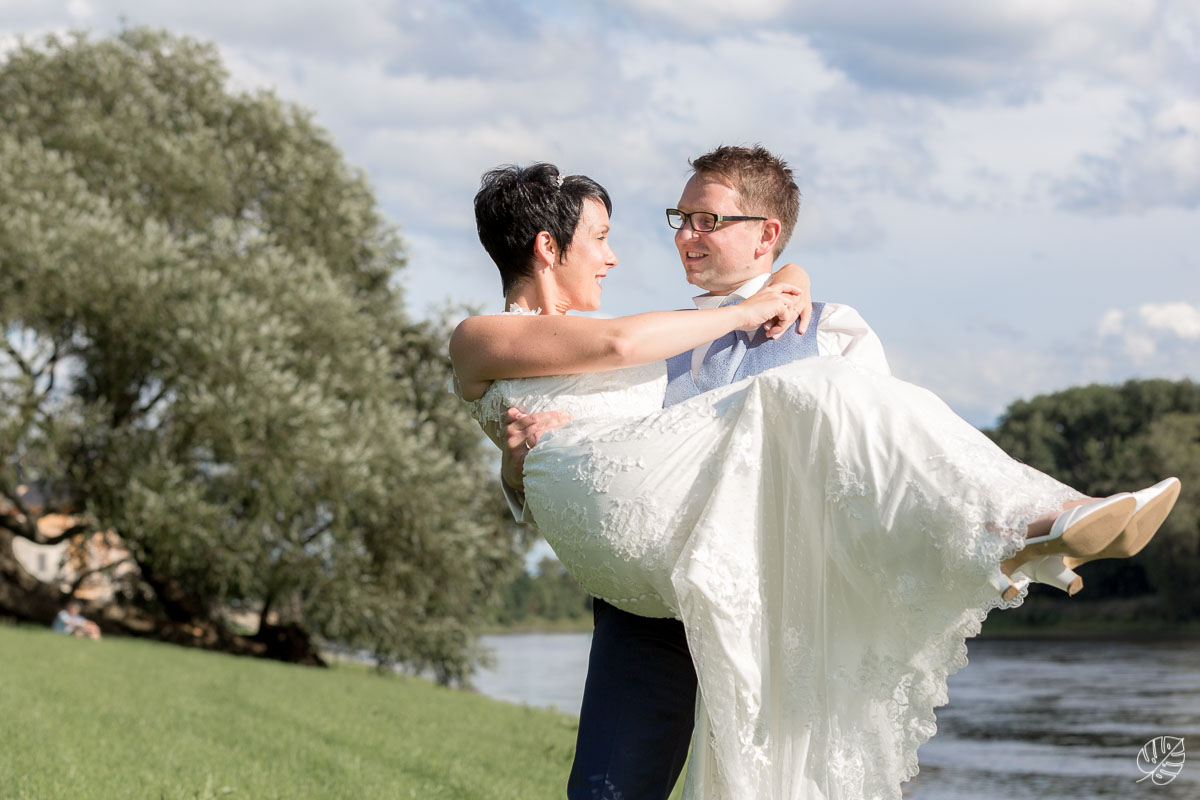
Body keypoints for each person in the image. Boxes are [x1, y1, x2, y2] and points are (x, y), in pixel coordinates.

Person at [450, 152, 1180, 800]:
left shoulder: (825, 326)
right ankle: (1029, 524)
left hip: (770, 580)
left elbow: (884, 468)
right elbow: (608, 363)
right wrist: (519, 464)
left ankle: (1030, 522)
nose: (678, 237)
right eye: (680, 219)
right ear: (550, 248)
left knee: (829, 392)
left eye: (706, 219)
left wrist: (784, 289)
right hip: (648, 593)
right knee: (612, 788)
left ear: (766, 235)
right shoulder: (645, 336)